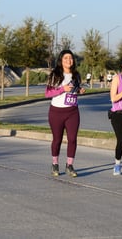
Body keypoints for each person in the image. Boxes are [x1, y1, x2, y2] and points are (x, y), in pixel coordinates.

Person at [45, 49, 85, 178]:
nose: (69, 60)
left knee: (72, 139)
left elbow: (74, 89)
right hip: (56, 111)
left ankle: (69, 165)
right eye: (66, 58)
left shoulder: (76, 75)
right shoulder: (55, 75)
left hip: (72, 111)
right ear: (61, 61)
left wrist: (79, 90)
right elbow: (48, 93)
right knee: (57, 140)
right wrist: (62, 89)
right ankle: (55, 163)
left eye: (71, 58)